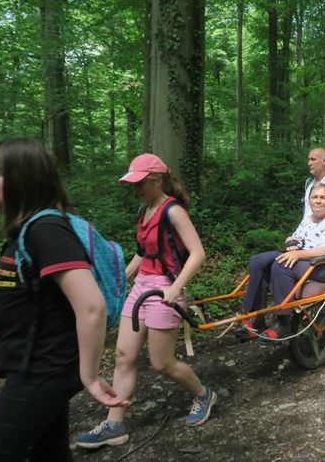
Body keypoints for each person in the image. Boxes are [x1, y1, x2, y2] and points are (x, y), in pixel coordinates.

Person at [0, 138, 129, 461]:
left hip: (44, 369)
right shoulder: (29, 230)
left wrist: (90, 376)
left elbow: (91, 307)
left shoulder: (46, 229)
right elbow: (35, 304)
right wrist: (6, 355)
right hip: (35, 363)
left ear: (17, 180)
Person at [76, 153, 213, 449]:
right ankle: (114, 425)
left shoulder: (173, 211)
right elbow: (143, 252)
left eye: (140, 183)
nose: (135, 188)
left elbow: (198, 253)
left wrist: (176, 288)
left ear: (156, 179)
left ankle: (204, 394)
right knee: (124, 356)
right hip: (141, 287)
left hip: (165, 290)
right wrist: (121, 278)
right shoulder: (144, 210)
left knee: (161, 363)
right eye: (133, 183)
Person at [236, 183, 325, 341]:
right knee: (257, 261)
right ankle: (254, 316)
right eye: (314, 197)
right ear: (309, 200)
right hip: (303, 258)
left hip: (323, 265)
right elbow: (297, 238)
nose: (318, 201)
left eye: (323, 197)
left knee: (281, 265)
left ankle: (283, 322)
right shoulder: (308, 219)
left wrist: (298, 255)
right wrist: (290, 239)